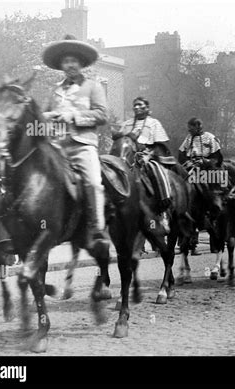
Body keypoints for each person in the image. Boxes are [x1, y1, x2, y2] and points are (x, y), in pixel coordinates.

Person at [42, 34, 109, 252]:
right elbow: (42, 115)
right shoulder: (54, 90)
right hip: (57, 147)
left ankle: (97, 227)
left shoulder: (93, 86)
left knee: (93, 182)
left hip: (82, 145)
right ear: (61, 65)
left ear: (81, 63)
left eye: (73, 61)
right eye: (65, 61)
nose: (70, 65)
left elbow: (102, 115)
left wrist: (74, 116)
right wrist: (48, 118)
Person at [119, 97, 172, 231]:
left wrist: (148, 155)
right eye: (135, 105)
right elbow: (120, 143)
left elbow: (159, 146)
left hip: (147, 157)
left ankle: (163, 208)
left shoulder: (154, 123)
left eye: (140, 105)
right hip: (128, 157)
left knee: (156, 171)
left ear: (147, 108)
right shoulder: (126, 124)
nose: (137, 108)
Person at [178, 117, 223, 256]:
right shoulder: (188, 139)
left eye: (191, 127)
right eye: (189, 127)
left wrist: (205, 162)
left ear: (198, 126)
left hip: (207, 169)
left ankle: (213, 206)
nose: (189, 130)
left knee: (208, 192)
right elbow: (181, 154)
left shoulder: (210, 138)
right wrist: (188, 162)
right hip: (192, 168)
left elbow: (218, 157)